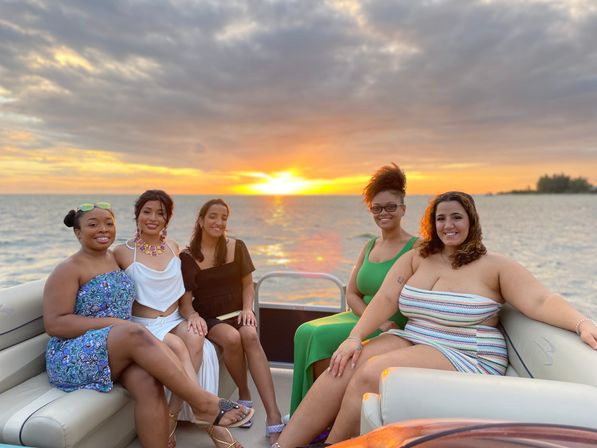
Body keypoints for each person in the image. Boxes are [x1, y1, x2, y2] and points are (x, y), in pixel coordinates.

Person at [275, 191, 597, 447]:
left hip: (466, 350)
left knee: (371, 372)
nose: (449, 225)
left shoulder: (495, 265)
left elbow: (541, 300)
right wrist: (353, 337)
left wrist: (583, 324)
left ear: (471, 220)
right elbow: (387, 299)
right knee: (342, 363)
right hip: (416, 336)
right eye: (441, 218)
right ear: (432, 223)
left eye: (457, 217)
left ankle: (335, 444)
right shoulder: (418, 256)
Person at [44, 202, 254, 448]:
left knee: (149, 383)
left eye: (109, 223)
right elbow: (55, 324)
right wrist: (114, 323)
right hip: (75, 355)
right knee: (134, 330)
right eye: (93, 224)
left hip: (114, 348)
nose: (103, 229)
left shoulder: (115, 259)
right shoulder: (68, 269)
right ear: (77, 232)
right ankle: (204, 404)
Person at [114, 190, 240, 448]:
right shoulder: (121, 253)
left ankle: (172, 415)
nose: (153, 218)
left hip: (174, 317)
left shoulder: (173, 247)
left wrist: (192, 314)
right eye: (146, 212)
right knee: (179, 346)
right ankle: (213, 425)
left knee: (196, 336)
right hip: (144, 324)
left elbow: (183, 290)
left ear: (167, 219)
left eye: (160, 213)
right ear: (137, 215)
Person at [290, 163, 418, 415]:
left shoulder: (417, 247)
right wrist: (371, 321)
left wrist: (381, 324)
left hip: (393, 323)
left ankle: (318, 415)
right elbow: (351, 294)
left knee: (317, 337)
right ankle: (309, 412)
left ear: (403, 208)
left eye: (391, 207)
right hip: (362, 317)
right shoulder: (370, 245)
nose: (384, 213)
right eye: (377, 208)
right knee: (305, 331)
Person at [180, 198, 284, 444]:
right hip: (209, 317)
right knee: (231, 337)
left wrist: (248, 309)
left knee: (249, 334)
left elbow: (247, 284)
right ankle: (244, 394)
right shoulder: (187, 256)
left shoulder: (237, 246)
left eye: (224, 217)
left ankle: (273, 414)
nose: (219, 222)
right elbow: (185, 302)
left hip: (238, 311)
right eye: (213, 216)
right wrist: (192, 316)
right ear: (202, 220)